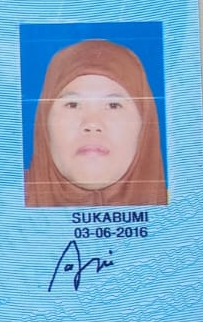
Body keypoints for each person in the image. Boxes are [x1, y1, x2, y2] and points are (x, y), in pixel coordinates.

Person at [24, 38, 168, 207]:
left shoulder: (185, 208)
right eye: (73, 105)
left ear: (144, 125)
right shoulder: (2, 206)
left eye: (113, 105)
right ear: (44, 121)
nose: (92, 124)